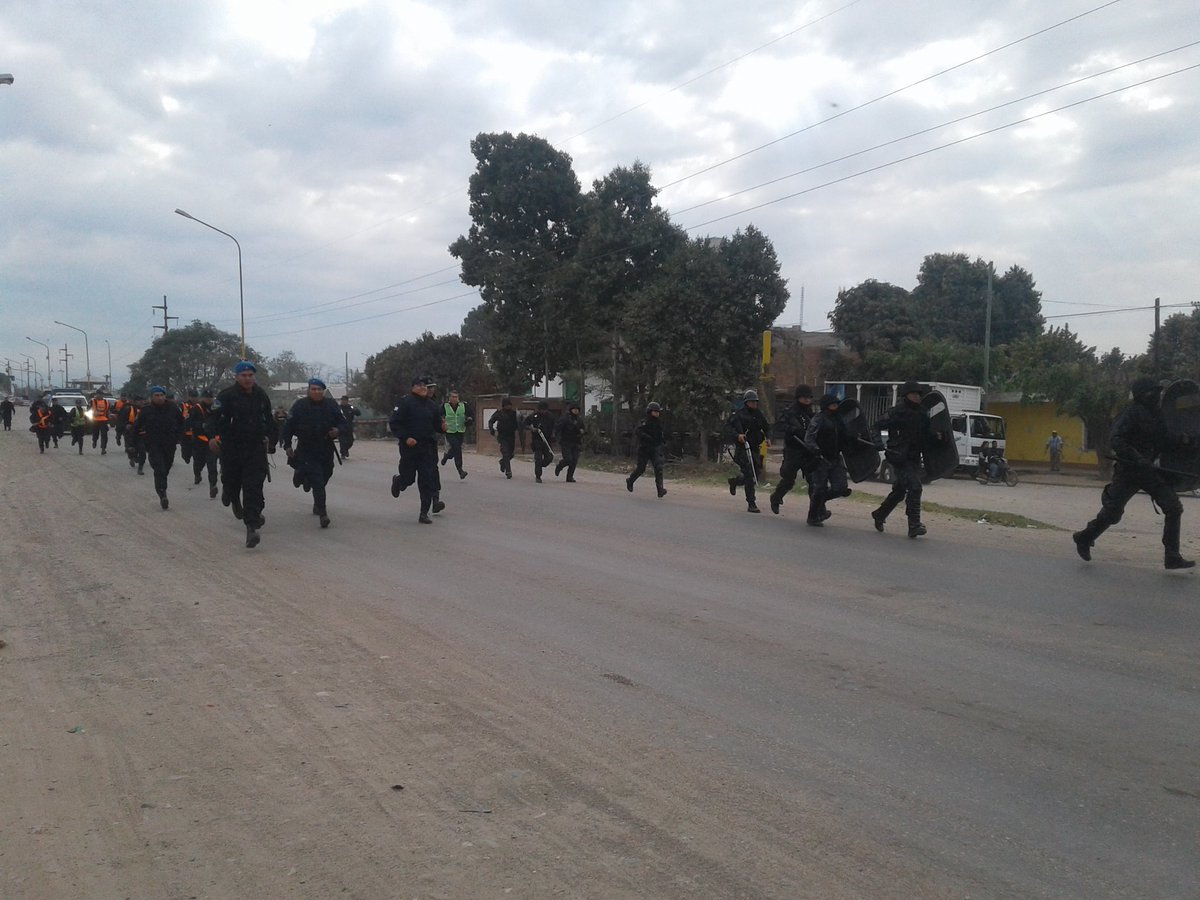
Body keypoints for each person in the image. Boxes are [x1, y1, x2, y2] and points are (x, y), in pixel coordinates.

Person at [1073, 377, 1194, 569]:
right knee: (1112, 513)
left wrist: (1183, 440)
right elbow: (1117, 439)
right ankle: (1084, 537)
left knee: (1173, 507)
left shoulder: (1157, 415)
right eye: (1153, 392)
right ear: (1142, 395)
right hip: (1129, 471)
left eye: (1158, 392)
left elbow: (1163, 439)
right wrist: (1137, 458)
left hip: (1149, 471)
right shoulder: (1130, 413)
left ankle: (1172, 555)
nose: (1157, 396)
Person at [211, 361, 277, 548]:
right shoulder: (226, 396)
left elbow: (269, 421)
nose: (247, 379)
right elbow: (213, 419)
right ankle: (232, 496)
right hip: (231, 449)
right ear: (237, 377)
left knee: (253, 487)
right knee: (232, 482)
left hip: (255, 449)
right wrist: (213, 437)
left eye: (250, 375)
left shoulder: (261, 395)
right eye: (244, 375)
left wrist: (271, 440)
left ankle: (251, 527)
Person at [870, 381, 935, 538]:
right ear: (905, 395)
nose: (917, 397)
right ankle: (914, 525)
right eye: (913, 394)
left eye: (919, 394)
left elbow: (927, 435)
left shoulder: (922, 413)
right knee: (915, 487)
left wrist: (938, 437)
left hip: (914, 457)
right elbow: (876, 426)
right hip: (898, 456)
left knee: (899, 492)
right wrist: (878, 444)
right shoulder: (896, 412)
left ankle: (880, 514)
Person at [281, 378, 347, 529]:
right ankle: (322, 512)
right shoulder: (300, 405)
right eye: (313, 389)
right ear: (309, 390)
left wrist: (338, 430)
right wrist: (288, 445)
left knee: (326, 474)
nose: (316, 392)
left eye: (319, 389)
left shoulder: (331, 405)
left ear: (323, 391)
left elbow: (342, 422)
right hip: (306, 448)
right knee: (317, 480)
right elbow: (288, 427)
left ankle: (303, 477)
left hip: (326, 447)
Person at [389, 376, 445, 524]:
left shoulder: (432, 406)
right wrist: (406, 437)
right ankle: (399, 481)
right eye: (419, 385)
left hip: (427, 448)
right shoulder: (405, 402)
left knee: (426, 480)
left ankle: (423, 513)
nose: (423, 388)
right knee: (408, 477)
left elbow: (437, 424)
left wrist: (442, 428)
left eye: (425, 386)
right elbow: (394, 423)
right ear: (413, 387)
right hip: (410, 448)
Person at [803, 393, 851, 526]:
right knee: (819, 488)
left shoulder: (839, 420)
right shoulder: (819, 419)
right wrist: (816, 450)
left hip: (835, 458)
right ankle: (813, 516)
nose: (835, 407)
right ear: (826, 406)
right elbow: (809, 438)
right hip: (821, 459)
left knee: (841, 487)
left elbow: (846, 436)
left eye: (836, 404)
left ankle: (820, 504)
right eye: (832, 404)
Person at [132, 386, 184, 509]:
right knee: (159, 469)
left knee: (166, 468)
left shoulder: (173, 408)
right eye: (157, 395)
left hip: (170, 444)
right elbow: (136, 428)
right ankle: (162, 494)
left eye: (161, 395)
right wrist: (133, 445)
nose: (160, 398)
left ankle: (162, 487)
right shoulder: (146, 411)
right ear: (151, 397)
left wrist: (179, 438)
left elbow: (182, 423)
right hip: (153, 445)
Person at [769, 385, 817, 515]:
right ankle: (776, 497)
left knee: (813, 481)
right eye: (804, 397)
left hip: (808, 451)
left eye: (809, 398)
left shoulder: (811, 413)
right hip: (794, 450)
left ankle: (816, 511)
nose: (807, 400)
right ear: (798, 398)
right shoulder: (790, 412)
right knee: (789, 480)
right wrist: (793, 430)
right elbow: (780, 425)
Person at [726, 390, 770, 513]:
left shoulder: (758, 414)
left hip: (755, 449)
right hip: (743, 449)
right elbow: (728, 428)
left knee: (755, 472)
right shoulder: (738, 415)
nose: (754, 404)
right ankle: (751, 503)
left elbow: (767, 427)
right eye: (751, 402)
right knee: (750, 475)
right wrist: (737, 436)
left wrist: (768, 438)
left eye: (755, 402)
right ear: (746, 403)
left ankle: (735, 481)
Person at [625, 402, 668, 498]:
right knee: (641, 469)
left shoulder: (659, 422)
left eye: (658, 412)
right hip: (644, 449)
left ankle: (660, 490)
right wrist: (648, 438)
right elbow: (638, 431)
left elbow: (660, 435)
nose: (657, 413)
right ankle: (630, 480)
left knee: (659, 468)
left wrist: (662, 442)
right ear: (650, 412)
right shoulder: (645, 421)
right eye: (655, 411)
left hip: (655, 449)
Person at [189, 389, 220, 498]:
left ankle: (213, 485)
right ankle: (197, 474)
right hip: (199, 441)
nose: (209, 399)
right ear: (203, 398)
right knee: (199, 462)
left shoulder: (217, 407)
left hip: (212, 441)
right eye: (207, 398)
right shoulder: (196, 409)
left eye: (211, 397)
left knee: (212, 464)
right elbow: (190, 423)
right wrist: (201, 425)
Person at [440, 389, 472, 479]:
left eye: (456, 397)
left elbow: (471, 414)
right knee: (457, 448)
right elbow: (438, 416)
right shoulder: (444, 406)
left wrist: (469, 419)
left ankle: (447, 456)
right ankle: (460, 470)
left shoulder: (464, 405)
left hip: (460, 431)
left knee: (455, 449)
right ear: (449, 398)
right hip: (449, 431)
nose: (454, 399)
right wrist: (442, 423)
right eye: (453, 397)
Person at [554, 401, 585, 482]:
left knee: (574, 461)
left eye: (577, 409)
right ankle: (560, 466)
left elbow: (584, 429)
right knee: (568, 459)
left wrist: (582, 432)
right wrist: (557, 437)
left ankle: (570, 477)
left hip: (576, 442)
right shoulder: (565, 418)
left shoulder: (579, 420)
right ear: (571, 410)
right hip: (566, 442)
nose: (576, 411)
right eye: (574, 409)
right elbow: (558, 428)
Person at [488, 398, 518, 479]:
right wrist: (492, 429)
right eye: (507, 405)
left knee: (511, 454)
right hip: (502, 436)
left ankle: (503, 462)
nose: (509, 407)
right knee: (506, 453)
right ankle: (508, 471)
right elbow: (491, 421)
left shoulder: (514, 413)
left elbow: (518, 423)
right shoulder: (499, 413)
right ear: (503, 406)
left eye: (510, 405)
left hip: (511, 436)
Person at [526, 400, 554, 483]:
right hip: (537, 440)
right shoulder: (534, 416)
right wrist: (531, 428)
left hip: (547, 441)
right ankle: (538, 476)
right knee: (538, 458)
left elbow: (554, 427)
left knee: (549, 458)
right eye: (541, 409)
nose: (543, 411)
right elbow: (525, 424)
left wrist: (554, 434)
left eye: (545, 409)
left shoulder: (551, 416)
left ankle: (540, 465)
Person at [120, 395, 146, 472]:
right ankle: (132, 458)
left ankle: (140, 468)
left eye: (142, 400)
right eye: (139, 400)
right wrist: (125, 425)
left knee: (142, 450)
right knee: (131, 449)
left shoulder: (145, 410)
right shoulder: (128, 409)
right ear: (134, 402)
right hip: (130, 433)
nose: (142, 402)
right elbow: (121, 420)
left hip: (141, 433)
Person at [179, 389, 199, 465]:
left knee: (196, 452)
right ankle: (186, 457)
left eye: (195, 396)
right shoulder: (183, 405)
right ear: (189, 397)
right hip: (185, 433)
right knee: (186, 452)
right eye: (192, 396)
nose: (194, 398)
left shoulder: (200, 405)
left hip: (197, 433)